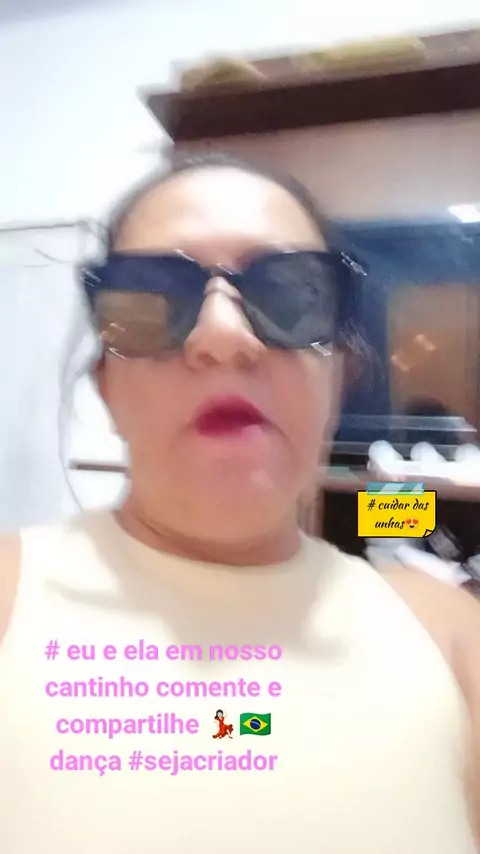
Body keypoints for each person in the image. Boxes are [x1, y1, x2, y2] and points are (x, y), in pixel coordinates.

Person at [0, 153, 479, 854]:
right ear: (106, 385)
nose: (222, 336)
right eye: (151, 297)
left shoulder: (451, 635)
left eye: (290, 293)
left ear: (340, 377)